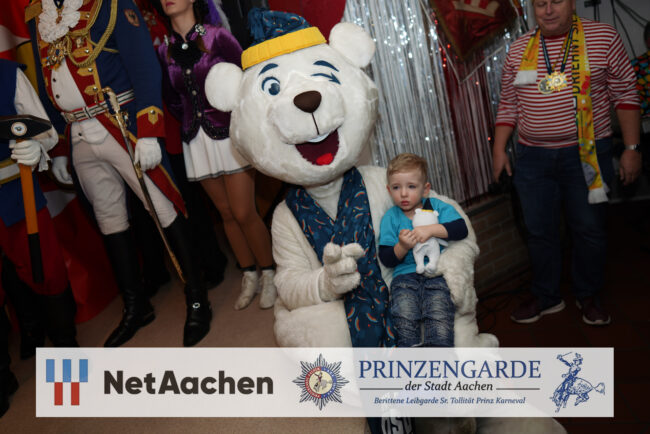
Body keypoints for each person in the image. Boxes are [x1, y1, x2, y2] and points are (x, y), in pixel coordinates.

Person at [26, 0, 212, 347]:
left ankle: (198, 298)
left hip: (121, 122)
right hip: (77, 132)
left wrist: (150, 130)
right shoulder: (40, 15)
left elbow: (143, 65)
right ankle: (136, 306)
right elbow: (45, 81)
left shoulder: (110, 4)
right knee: (109, 219)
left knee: (163, 208)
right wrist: (60, 147)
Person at [492, 0, 642, 326]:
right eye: (540, 3)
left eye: (556, 1)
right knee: (538, 231)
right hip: (532, 158)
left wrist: (631, 147)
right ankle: (546, 295)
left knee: (588, 229)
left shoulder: (604, 37)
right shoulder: (518, 50)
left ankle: (588, 294)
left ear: (571, 2)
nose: (548, 10)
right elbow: (509, 104)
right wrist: (499, 149)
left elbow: (625, 93)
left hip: (587, 153)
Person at [154, 0, 277, 310]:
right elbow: (172, 99)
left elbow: (246, 79)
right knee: (225, 214)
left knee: (244, 211)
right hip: (196, 140)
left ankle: (270, 273)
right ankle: (249, 274)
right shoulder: (164, 50)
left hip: (229, 135)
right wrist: (190, 120)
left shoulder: (217, 36)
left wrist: (231, 117)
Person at [0, 58, 78, 416]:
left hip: (15, 192)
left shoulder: (7, 75)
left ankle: (66, 363)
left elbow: (44, 129)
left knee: (45, 269)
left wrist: (37, 147)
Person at [378, 153, 468, 347]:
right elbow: (386, 258)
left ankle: (439, 356)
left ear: (425, 189)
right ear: (389, 190)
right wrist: (402, 246)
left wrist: (431, 230)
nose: (403, 194)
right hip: (404, 278)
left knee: (439, 315)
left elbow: (461, 229)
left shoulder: (436, 207)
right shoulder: (390, 218)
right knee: (404, 317)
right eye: (396, 187)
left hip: (436, 274)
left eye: (411, 186)